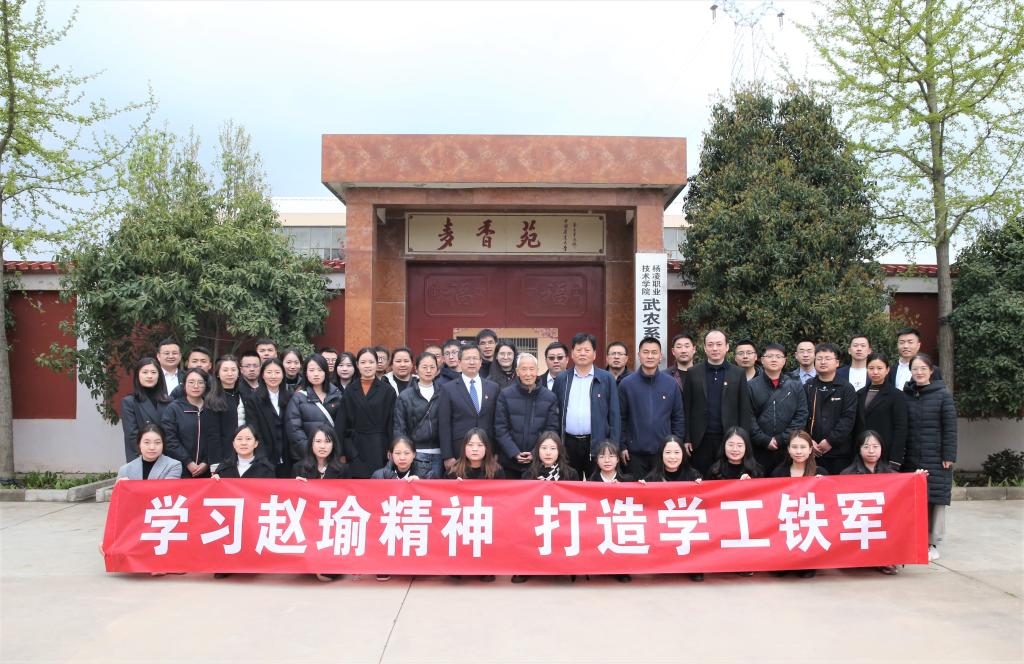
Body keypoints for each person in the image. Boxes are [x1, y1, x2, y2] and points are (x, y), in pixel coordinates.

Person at [903, 353, 957, 562]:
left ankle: (932, 542)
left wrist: (949, 455)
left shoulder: (943, 395)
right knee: (913, 499)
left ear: (931, 371)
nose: (919, 372)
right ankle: (914, 539)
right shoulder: (906, 394)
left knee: (935, 499)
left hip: (936, 457)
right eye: (915, 369)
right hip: (911, 457)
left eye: (923, 369)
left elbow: (950, 428)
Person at [683, 329, 753, 475]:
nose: (715, 348)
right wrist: (687, 438)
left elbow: (744, 409)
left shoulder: (738, 373)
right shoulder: (693, 373)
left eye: (719, 344)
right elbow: (686, 408)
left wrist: (744, 439)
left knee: (727, 478)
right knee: (701, 479)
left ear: (727, 347)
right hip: (700, 439)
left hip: (729, 438)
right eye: (710, 344)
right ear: (704, 348)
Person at [553, 332, 621, 479]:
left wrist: (614, 446)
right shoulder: (562, 379)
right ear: (572, 354)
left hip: (597, 443)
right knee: (569, 483)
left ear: (594, 354)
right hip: (568, 443)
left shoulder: (606, 379)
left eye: (587, 350)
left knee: (597, 484)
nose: (582, 353)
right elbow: (554, 413)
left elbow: (614, 415)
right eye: (578, 350)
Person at [841, 430, 909, 576]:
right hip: (858, 521)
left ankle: (885, 559)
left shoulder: (891, 474)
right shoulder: (847, 474)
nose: (871, 451)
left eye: (875, 446)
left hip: (881, 522)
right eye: (866, 447)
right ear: (859, 449)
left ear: (882, 448)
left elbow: (906, 489)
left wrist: (918, 478)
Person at [619, 337, 685, 480]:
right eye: (646, 352)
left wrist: (676, 445)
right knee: (636, 491)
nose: (650, 356)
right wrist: (622, 445)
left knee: (662, 492)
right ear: (639, 355)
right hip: (634, 454)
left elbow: (678, 417)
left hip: (663, 453)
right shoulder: (626, 384)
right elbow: (621, 418)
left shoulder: (671, 383)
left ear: (660, 356)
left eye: (654, 352)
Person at [292, 425, 350, 583]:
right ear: (311, 444)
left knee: (327, 573)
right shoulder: (299, 468)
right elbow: (292, 503)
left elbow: (347, 500)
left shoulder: (343, 469)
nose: (322, 446)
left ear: (334, 445)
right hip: (308, 522)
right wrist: (296, 487)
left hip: (332, 524)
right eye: (318, 441)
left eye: (327, 441)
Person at [447, 428, 503, 582]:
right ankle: (458, 566)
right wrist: (455, 489)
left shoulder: (497, 471)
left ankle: (486, 567)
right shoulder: (454, 471)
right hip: (462, 520)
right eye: (470, 445)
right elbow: (444, 500)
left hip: (486, 520)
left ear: (487, 448)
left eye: (479, 445)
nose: (475, 449)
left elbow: (502, 500)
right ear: (464, 447)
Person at [494, 353, 559, 479]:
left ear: (537, 370)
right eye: (524, 369)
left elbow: (551, 430)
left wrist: (535, 453)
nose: (528, 374)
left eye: (531, 369)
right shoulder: (505, 395)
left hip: (538, 463)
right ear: (517, 371)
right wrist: (514, 452)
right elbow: (500, 428)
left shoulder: (549, 397)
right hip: (509, 462)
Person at [771, 431, 827, 578]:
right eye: (794, 447)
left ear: (810, 449)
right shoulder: (778, 473)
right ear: (788, 449)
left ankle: (808, 561)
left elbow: (830, 506)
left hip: (809, 527)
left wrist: (825, 485)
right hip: (786, 527)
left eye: (803, 447)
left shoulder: (820, 473)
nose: (798, 451)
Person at [336, 347, 396, 478]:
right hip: (355, 447)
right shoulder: (350, 390)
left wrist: (392, 448)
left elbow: (392, 423)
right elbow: (341, 424)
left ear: (377, 364)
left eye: (371, 362)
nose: (367, 366)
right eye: (363, 362)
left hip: (379, 447)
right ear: (357, 365)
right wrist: (341, 452)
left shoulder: (387, 391)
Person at [438, 344, 500, 473]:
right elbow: (444, 425)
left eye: (475, 358)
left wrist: (496, 452)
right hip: (458, 452)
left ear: (481, 362)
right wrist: (447, 456)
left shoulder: (493, 387)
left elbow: (497, 422)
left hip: (487, 452)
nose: (472, 362)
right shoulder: (448, 389)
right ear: (460, 362)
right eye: (467, 359)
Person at [748, 343, 808, 474]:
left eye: (778, 356)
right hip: (758, 448)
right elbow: (748, 417)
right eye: (769, 356)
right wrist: (764, 440)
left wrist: (782, 439)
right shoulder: (750, 386)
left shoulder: (795, 386)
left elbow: (801, 415)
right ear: (762, 360)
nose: (774, 359)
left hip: (787, 449)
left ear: (785, 360)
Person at [803, 343, 858, 475]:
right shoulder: (808, 387)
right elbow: (801, 415)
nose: (823, 362)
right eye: (819, 358)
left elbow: (848, 419)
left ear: (837, 363)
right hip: (811, 451)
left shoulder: (846, 388)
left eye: (827, 358)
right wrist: (808, 440)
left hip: (839, 453)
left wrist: (830, 441)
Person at [162, 368, 221, 478]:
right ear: (184, 385)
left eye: (200, 382)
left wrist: (206, 462)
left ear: (206, 384)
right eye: (191, 382)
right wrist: (188, 462)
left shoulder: (212, 408)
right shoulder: (174, 408)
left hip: (208, 470)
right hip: (179, 469)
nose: (196, 386)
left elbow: (217, 438)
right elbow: (170, 439)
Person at [393, 351, 443, 479]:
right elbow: (399, 427)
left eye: (432, 367)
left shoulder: (444, 393)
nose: (428, 370)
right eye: (424, 367)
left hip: (440, 453)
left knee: (437, 489)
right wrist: (404, 452)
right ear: (416, 369)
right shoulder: (405, 396)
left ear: (437, 370)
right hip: (416, 454)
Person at [285, 354, 343, 462]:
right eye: (311, 370)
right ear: (306, 373)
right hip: (307, 457)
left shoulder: (337, 395)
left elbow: (342, 427)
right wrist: (311, 452)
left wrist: (335, 452)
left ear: (326, 372)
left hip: (332, 457)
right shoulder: (298, 398)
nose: (316, 374)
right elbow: (294, 430)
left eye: (320, 370)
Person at [856, 352, 908, 469]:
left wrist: (895, 459)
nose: (875, 372)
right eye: (871, 368)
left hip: (886, 453)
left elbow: (901, 428)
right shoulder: (859, 394)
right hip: (862, 452)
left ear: (887, 370)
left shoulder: (896, 395)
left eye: (879, 368)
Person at [244, 358, 293, 477]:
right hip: (265, 457)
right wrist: (263, 457)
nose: (273, 376)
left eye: (277, 372)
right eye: (269, 372)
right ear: (262, 375)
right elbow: (254, 429)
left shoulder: (290, 397)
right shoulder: (253, 399)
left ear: (283, 375)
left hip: (288, 456)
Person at [120, 357, 171, 462]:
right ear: (138, 375)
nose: (149, 376)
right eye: (145, 372)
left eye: (153, 372)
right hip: (141, 457)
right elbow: (132, 435)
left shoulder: (169, 401)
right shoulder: (129, 402)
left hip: (167, 457)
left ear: (159, 376)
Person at [205, 355, 246, 461]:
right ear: (218, 374)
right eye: (225, 370)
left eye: (233, 370)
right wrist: (216, 462)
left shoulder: (244, 395)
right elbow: (213, 435)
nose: (230, 373)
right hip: (225, 456)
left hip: (247, 453)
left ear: (239, 372)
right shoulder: (213, 399)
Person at [116, 424, 182, 480]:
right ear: (139, 444)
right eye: (147, 442)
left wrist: (130, 485)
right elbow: (118, 491)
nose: (152, 447)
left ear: (163, 444)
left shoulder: (173, 466)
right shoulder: (125, 470)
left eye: (157, 442)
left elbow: (168, 489)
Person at [211, 424, 276, 479]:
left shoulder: (267, 470)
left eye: (248, 439)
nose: (243, 443)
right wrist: (214, 482)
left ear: (256, 443)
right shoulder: (223, 468)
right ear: (233, 444)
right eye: (239, 439)